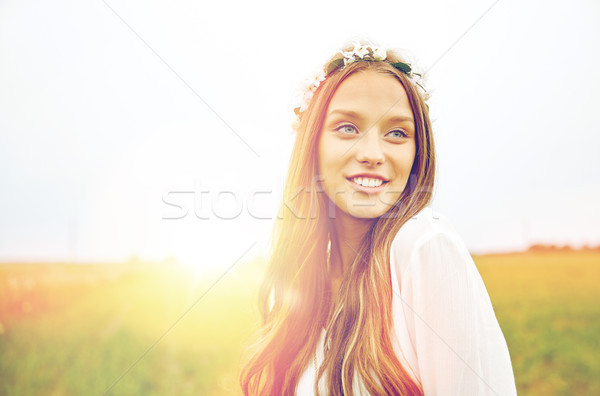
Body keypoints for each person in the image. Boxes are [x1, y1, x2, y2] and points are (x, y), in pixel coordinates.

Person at [239, 41, 517, 395]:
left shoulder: (424, 248)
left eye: (397, 133)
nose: (372, 154)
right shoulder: (299, 283)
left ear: (419, 151)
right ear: (312, 143)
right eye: (348, 128)